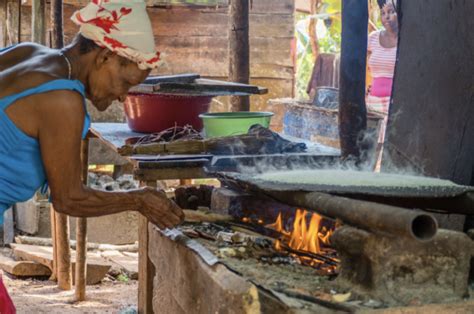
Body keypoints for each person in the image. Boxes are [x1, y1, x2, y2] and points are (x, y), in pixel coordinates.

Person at [0, 1, 184, 308]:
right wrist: (138, 200)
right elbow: (68, 198)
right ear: (106, 56)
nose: (124, 96)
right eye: (126, 82)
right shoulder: (62, 101)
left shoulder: (28, 53)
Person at [366, 0, 398, 168]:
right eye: (383, 13)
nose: (387, 17)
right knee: (372, 146)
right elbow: (359, 64)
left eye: (391, 12)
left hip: (395, 103)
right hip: (373, 102)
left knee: (389, 148)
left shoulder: (406, 41)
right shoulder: (373, 38)